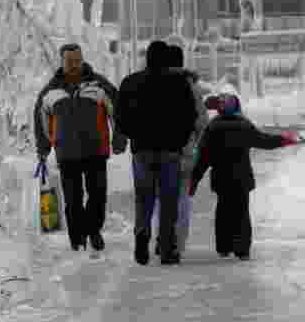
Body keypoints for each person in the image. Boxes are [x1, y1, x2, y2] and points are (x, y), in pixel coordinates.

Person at [33, 43, 127, 253]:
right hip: (67, 153)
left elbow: (117, 109)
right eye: (70, 61)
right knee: (73, 199)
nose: (75, 65)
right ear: (62, 62)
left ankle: (93, 230)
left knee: (97, 195)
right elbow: (41, 121)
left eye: (78, 60)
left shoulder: (99, 85)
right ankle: (77, 239)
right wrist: (44, 147)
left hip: (96, 150)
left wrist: (119, 137)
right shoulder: (51, 91)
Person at [189, 94, 302, 260]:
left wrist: (194, 180)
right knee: (241, 212)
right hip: (242, 178)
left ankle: (224, 247)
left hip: (221, 178)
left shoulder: (213, 127)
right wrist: (287, 140)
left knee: (223, 211)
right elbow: (265, 141)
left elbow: (203, 158)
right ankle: (242, 249)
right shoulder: (244, 126)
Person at [115, 40, 198, 266]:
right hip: (170, 151)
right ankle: (167, 248)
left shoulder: (131, 82)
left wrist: (132, 135)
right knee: (168, 199)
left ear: (147, 58)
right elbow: (190, 116)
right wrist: (179, 141)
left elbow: (120, 115)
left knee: (144, 197)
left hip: (141, 151)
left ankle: (141, 235)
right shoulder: (178, 83)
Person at [150, 44, 210, 257]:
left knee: (160, 197)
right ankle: (177, 243)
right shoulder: (190, 87)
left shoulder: (152, 84)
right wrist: (194, 143)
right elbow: (203, 121)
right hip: (183, 152)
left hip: (156, 151)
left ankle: (162, 238)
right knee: (181, 198)